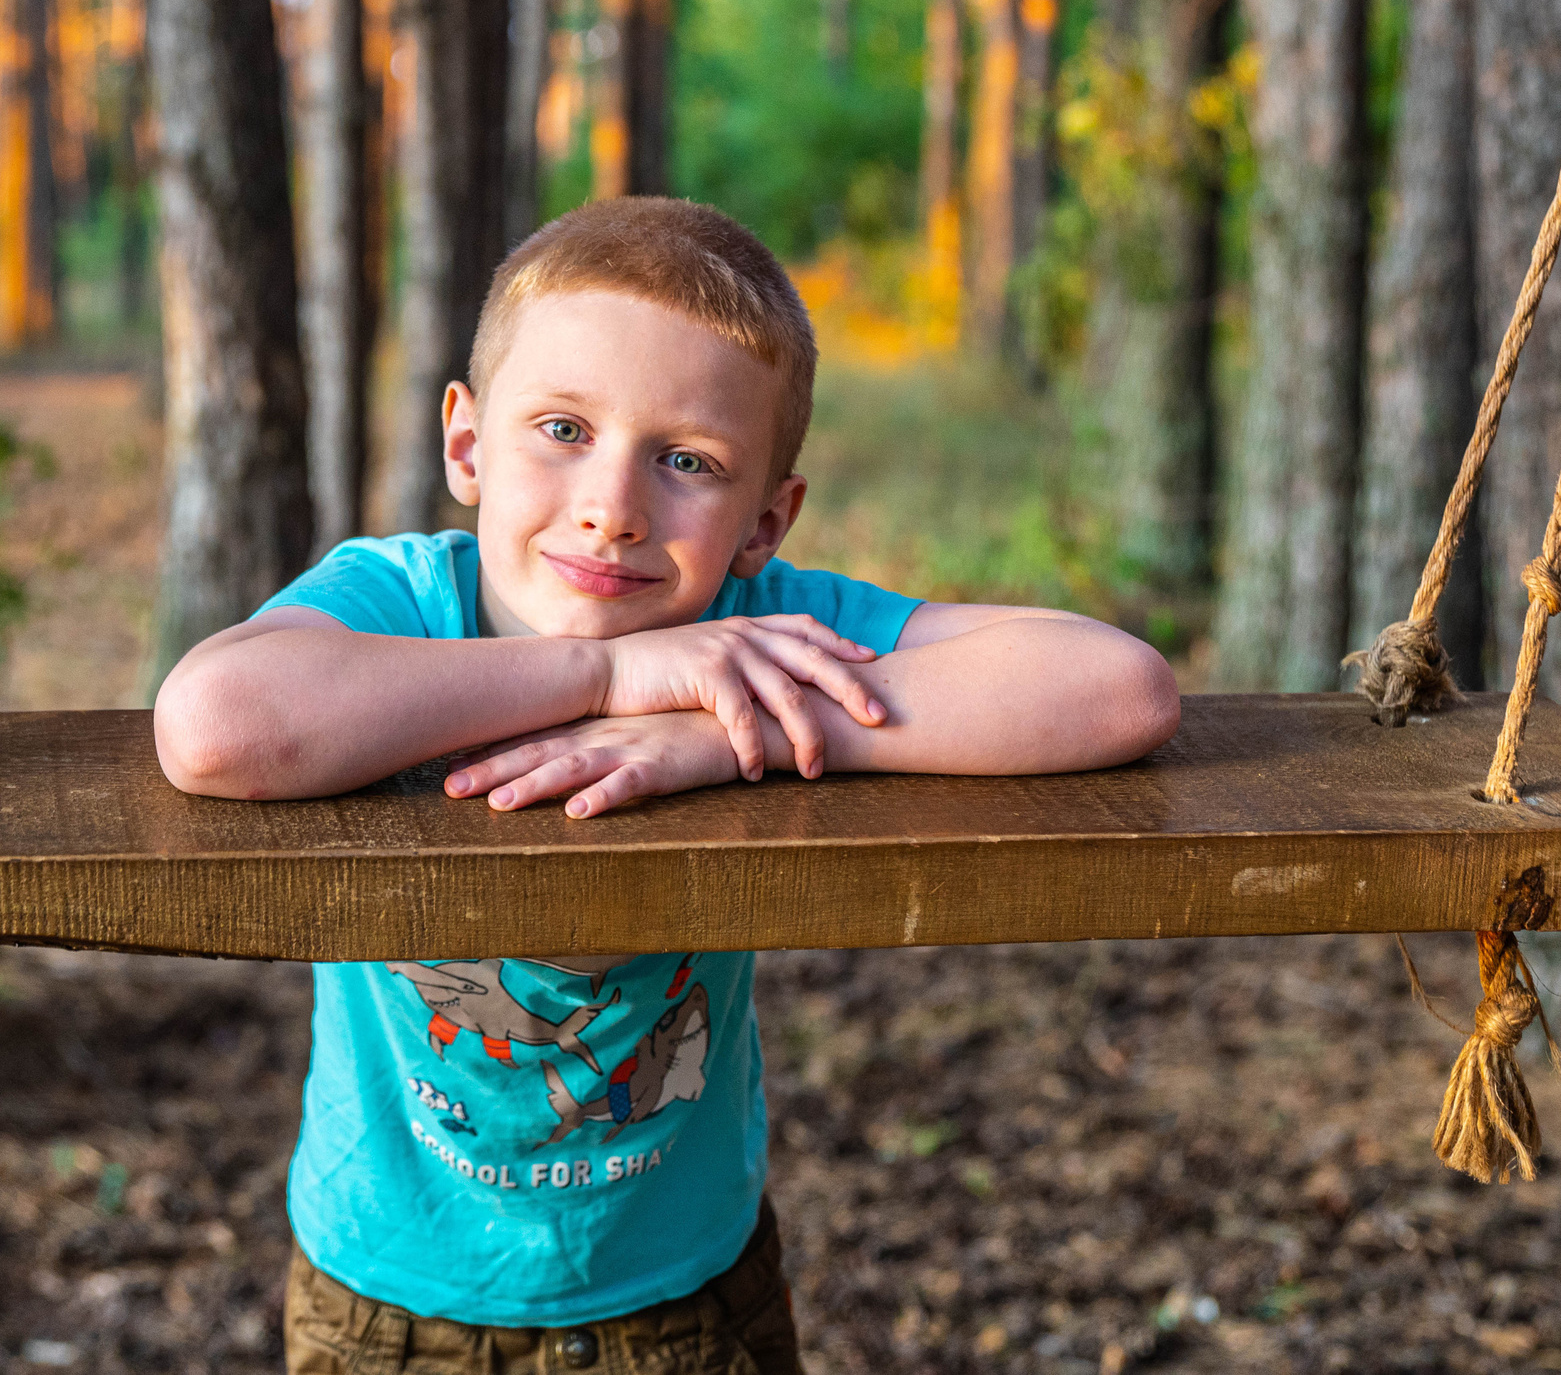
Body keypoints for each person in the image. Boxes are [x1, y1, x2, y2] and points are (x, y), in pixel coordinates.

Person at [155, 197, 1179, 1375]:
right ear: (466, 445)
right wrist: (607, 667)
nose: (613, 506)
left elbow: (1119, 690)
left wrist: (738, 730)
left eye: (687, 461)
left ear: (765, 521)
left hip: (681, 1301)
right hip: (385, 1294)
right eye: (561, 429)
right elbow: (213, 726)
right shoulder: (397, 602)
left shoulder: (759, 635)